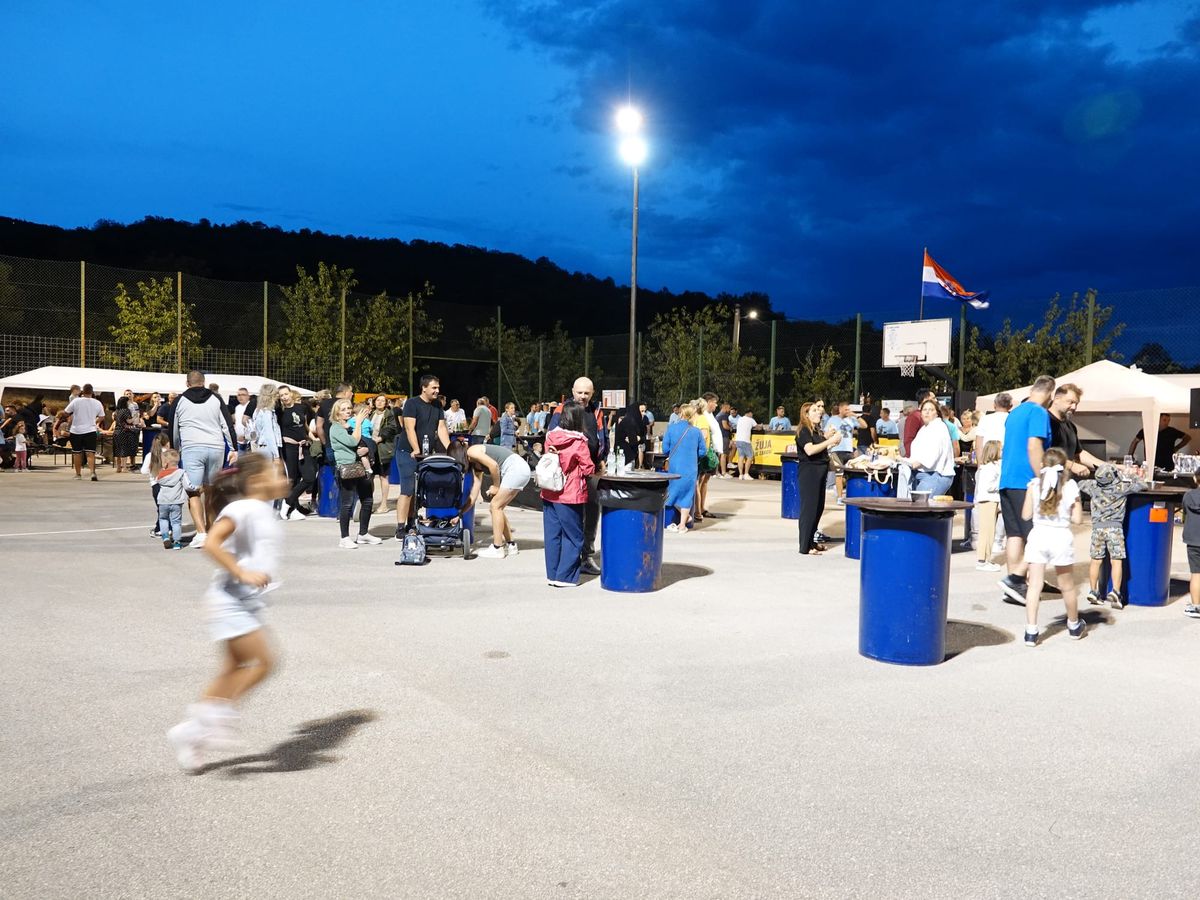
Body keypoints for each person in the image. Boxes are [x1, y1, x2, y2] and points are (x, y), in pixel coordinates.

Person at [166, 454, 289, 772]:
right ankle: (219, 718)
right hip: (230, 601)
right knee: (264, 662)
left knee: (232, 668)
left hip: (242, 602)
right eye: (277, 474)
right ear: (258, 481)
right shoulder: (242, 508)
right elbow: (212, 543)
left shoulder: (262, 510)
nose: (284, 480)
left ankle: (191, 733)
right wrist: (242, 573)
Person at [996, 375, 1056, 605]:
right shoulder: (1038, 412)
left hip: (1008, 479)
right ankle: (1017, 580)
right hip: (1026, 481)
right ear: (1050, 393)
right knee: (1037, 535)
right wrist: (1043, 478)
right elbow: (1034, 445)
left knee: (1014, 534)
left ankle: (1015, 585)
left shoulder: (1015, 412)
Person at [1020, 448, 1084, 647]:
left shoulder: (1034, 485)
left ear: (1042, 465)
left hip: (1038, 535)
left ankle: (1031, 631)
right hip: (1060, 537)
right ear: (1064, 467)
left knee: (1035, 585)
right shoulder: (1070, 486)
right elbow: (1078, 519)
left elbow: (1025, 515)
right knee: (1067, 585)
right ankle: (1073, 625)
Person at [547, 378, 607, 575]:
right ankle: (569, 561)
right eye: (580, 392)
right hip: (569, 473)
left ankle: (586, 556)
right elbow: (551, 437)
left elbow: (603, 438)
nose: (583, 396)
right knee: (570, 517)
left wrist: (602, 458)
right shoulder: (561, 410)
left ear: (592, 393)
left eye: (586, 393)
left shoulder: (597, 411)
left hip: (591, 471)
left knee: (591, 512)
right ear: (572, 391)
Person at [173, 371, 239, 548]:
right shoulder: (216, 399)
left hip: (192, 447)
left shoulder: (180, 400)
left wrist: (175, 449)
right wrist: (233, 448)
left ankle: (201, 533)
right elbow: (227, 424)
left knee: (193, 491)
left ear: (187, 383)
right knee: (211, 490)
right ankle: (211, 530)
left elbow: (174, 428)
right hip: (215, 447)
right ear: (204, 382)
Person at [1077, 463, 1147, 610]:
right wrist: (1129, 474)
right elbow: (1142, 484)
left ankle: (1093, 591)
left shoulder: (1093, 487)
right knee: (1116, 561)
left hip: (1097, 529)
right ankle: (1115, 591)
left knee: (1095, 561)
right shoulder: (1121, 488)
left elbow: (1080, 483)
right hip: (1115, 529)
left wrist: (1094, 479)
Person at [540, 401, 595, 587]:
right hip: (571, 493)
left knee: (552, 535)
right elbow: (588, 468)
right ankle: (566, 577)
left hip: (549, 492)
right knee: (574, 535)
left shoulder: (550, 437)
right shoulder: (579, 441)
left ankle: (552, 574)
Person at [394, 375, 451, 536]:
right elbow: (409, 428)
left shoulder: (438, 405)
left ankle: (411, 523)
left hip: (425, 454)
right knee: (407, 489)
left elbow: (441, 429)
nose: (437, 390)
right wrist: (416, 449)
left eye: (438, 388)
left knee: (418, 490)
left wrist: (451, 450)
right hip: (407, 452)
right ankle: (400, 527)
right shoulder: (412, 404)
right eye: (434, 388)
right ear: (424, 388)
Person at [328, 398, 379, 549]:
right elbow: (353, 442)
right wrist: (358, 423)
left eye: (349, 408)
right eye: (343, 409)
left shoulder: (349, 426)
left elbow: (365, 441)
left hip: (359, 466)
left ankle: (363, 534)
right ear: (337, 413)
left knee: (368, 499)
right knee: (347, 503)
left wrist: (365, 449)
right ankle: (344, 538)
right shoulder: (336, 428)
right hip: (347, 468)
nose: (348, 411)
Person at [465, 442, 532, 557]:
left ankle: (497, 547)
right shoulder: (475, 465)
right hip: (519, 468)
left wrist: (496, 486)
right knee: (498, 508)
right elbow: (474, 494)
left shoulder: (471, 451)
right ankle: (511, 545)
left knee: (495, 506)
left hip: (515, 469)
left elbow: (494, 465)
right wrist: (460, 513)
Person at [796, 401, 839, 555]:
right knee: (809, 509)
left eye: (819, 409)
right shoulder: (804, 431)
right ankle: (804, 547)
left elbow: (820, 445)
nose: (819, 412)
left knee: (818, 508)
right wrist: (830, 441)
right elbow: (810, 450)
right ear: (806, 414)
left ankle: (811, 543)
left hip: (819, 472)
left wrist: (829, 438)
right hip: (809, 473)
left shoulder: (815, 431)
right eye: (814, 410)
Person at [662, 402, 705, 533]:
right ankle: (682, 525)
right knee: (687, 495)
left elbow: (665, 449)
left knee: (672, 493)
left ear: (681, 413)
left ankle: (672, 523)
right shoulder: (696, 432)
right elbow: (703, 451)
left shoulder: (671, 428)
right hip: (690, 468)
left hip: (675, 467)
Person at [901, 398, 956, 496]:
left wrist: (915, 463)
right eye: (924, 410)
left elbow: (934, 453)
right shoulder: (924, 428)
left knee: (921, 507)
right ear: (921, 413)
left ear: (937, 414)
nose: (927, 412)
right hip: (923, 474)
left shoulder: (939, 427)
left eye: (931, 410)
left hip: (936, 475)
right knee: (920, 508)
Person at [277, 386, 315, 520]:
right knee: (292, 479)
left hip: (303, 446)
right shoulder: (279, 411)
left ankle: (287, 502)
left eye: (286, 394)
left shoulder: (302, 407)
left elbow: (305, 424)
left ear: (291, 394)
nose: (284, 397)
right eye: (281, 395)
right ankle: (293, 509)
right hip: (289, 447)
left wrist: (310, 436)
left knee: (310, 476)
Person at [63, 383, 105, 481]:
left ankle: (78, 474)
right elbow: (102, 416)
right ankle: (92, 473)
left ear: (83, 391)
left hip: (76, 430)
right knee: (90, 453)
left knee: (77, 453)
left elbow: (66, 412)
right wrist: (95, 421)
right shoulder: (97, 403)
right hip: (90, 430)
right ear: (92, 392)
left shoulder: (76, 401)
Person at [826, 401, 864, 504]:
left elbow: (864, 426)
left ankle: (837, 487)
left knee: (849, 474)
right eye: (846, 409)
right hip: (836, 450)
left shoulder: (851, 419)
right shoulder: (832, 419)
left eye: (849, 409)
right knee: (839, 473)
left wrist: (855, 415)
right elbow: (826, 433)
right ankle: (839, 497)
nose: (848, 411)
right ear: (840, 409)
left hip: (848, 450)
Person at [156, 448, 195, 550]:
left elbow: (156, 481)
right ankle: (177, 542)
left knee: (163, 519)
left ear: (166, 463)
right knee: (176, 522)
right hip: (176, 501)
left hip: (163, 501)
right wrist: (196, 488)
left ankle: (165, 537)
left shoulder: (161, 474)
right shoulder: (181, 473)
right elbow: (187, 486)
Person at [1128, 412, 1192, 472]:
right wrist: (1130, 456)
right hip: (1151, 463)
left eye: (1168, 420)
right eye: (1164, 420)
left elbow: (1187, 438)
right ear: (1158, 419)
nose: (1166, 423)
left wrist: (1177, 447)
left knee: (1167, 482)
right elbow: (1135, 441)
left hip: (1168, 464)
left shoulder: (1172, 431)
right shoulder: (1148, 429)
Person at [973, 440, 1003, 571]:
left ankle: (986, 558)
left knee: (990, 530)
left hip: (991, 500)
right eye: (1000, 449)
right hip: (988, 500)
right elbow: (988, 486)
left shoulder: (992, 466)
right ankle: (982, 560)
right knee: (987, 531)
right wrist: (1000, 485)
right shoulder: (989, 468)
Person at [367, 394, 397, 514]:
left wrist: (381, 438)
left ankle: (384, 504)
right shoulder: (371, 414)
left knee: (383, 476)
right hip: (370, 447)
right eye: (378, 400)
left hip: (383, 448)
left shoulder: (389, 414)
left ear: (386, 403)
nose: (379, 402)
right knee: (370, 477)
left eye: (382, 401)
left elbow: (391, 428)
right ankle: (370, 503)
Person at [315, 383, 353, 463]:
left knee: (335, 473)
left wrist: (325, 443)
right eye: (351, 391)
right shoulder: (349, 406)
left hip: (330, 446)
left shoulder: (324, 404)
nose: (352, 394)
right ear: (345, 392)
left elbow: (318, 426)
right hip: (348, 447)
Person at [1182, 474, 1200, 619]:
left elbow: (1185, 512)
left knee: (1196, 574)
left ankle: (1196, 606)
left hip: (1193, 540)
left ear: (1195, 479)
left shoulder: (1188, 496)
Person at [902, 389, 936, 457]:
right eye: (933, 398)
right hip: (918, 461)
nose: (936, 400)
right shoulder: (914, 416)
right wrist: (914, 458)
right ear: (926, 399)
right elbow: (908, 440)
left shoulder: (932, 416)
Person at [615, 401, 645, 473]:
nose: (643, 413)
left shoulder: (635, 422)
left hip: (629, 456)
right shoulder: (629, 422)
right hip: (625, 458)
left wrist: (639, 438)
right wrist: (637, 439)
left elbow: (641, 438)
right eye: (641, 411)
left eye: (644, 411)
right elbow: (633, 441)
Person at [734, 407, 757, 480]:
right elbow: (758, 427)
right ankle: (746, 474)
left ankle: (741, 475)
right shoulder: (751, 420)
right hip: (745, 440)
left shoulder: (740, 419)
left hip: (738, 439)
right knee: (750, 456)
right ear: (750, 413)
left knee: (741, 457)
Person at [714, 401, 733, 478]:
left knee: (718, 455)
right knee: (724, 455)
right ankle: (724, 472)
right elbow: (725, 426)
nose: (729, 410)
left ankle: (716, 472)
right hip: (724, 436)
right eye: (728, 408)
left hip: (718, 436)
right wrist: (730, 428)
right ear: (724, 407)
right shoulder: (724, 415)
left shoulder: (717, 415)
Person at [232, 387, 253, 453]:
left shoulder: (251, 406)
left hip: (248, 442)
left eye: (243, 395)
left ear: (248, 396)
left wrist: (245, 436)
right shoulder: (237, 407)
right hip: (238, 442)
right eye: (239, 395)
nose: (241, 397)